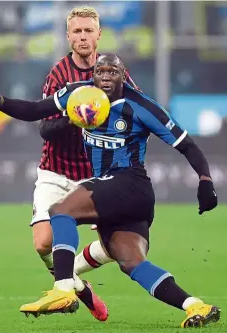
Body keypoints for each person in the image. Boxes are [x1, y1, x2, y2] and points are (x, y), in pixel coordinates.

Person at [0, 54, 220, 328]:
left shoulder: (141, 106)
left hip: (131, 183)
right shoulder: (79, 94)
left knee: (60, 210)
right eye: (101, 71)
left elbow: (187, 145)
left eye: (113, 71)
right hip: (120, 192)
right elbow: (35, 111)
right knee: (131, 261)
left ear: (123, 76)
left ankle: (64, 289)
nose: (105, 76)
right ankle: (195, 305)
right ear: (94, 74)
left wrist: (205, 181)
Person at [31, 5, 138, 321]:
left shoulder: (115, 72)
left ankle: (67, 279)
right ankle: (78, 286)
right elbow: (45, 129)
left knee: (120, 245)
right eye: (76, 31)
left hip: (96, 174)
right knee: (41, 244)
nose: (82, 37)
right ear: (68, 36)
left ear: (99, 34)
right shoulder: (58, 76)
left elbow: (135, 114)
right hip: (55, 170)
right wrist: (74, 117)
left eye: (88, 30)